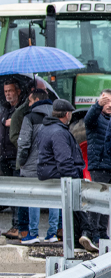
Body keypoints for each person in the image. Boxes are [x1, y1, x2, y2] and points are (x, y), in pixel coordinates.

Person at [32, 99, 81, 249]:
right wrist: (75, 177)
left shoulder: (46, 128)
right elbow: (64, 161)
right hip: (60, 177)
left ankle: (69, 238)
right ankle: (74, 240)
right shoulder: (59, 131)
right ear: (67, 114)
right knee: (74, 214)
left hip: (49, 175)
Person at [79, 89, 111, 252]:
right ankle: (91, 233)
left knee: (108, 202)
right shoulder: (96, 118)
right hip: (99, 165)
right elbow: (88, 119)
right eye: (106, 102)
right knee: (96, 200)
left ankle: (101, 234)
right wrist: (97, 106)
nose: (109, 105)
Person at [16, 88, 55, 244]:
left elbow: (23, 143)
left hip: (33, 166)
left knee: (34, 198)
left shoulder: (30, 117)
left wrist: (22, 162)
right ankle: (52, 233)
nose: (29, 104)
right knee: (54, 198)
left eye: (30, 101)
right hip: (53, 165)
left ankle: (33, 233)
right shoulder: (56, 115)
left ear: (37, 101)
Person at [1, 79, 21, 239]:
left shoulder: (20, 111)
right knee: (9, 193)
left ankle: (18, 226)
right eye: (6, 91)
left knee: (17, 193)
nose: (8, 94)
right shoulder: (4, 109)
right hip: (4, 156)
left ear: (18, 91)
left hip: (15, 156)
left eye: (10, 91)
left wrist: (14, 122)